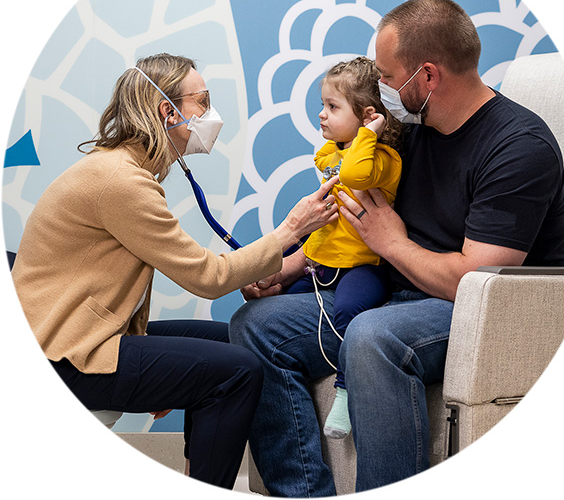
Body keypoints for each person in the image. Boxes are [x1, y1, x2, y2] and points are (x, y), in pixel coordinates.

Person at [229, 0, 564, 495]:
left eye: (388, 77)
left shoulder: (518, 147)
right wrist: (290, 268)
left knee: (372, 336)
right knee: (256, 326)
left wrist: (392, 244)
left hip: (483, 310)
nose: (380, 90)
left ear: (427, 77)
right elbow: (353, 227)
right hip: (394, 291)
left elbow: (474, 281)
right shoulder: (407, 133)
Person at [11, 53, 339, 490]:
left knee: (237, 341)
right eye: (201, 102)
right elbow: (207, 278)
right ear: (167, 110)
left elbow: (203, 268)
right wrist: (290, 230)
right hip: (68, 356)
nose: (210, 114)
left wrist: (277, 264)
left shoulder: (123, 170)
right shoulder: (121, 183)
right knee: (237, 371)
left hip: (81, 336)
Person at [283, 57, 403, 439]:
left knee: (350, 310)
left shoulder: (382, 159)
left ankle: (345, 392)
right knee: (274, 305)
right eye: (323, 105)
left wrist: (369, 134)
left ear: (367, 116)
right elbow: (330, 166)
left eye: (333, 107)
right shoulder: (332, 152)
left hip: (361, 268)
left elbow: (354, 174)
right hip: (321, 265)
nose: (321, 115)